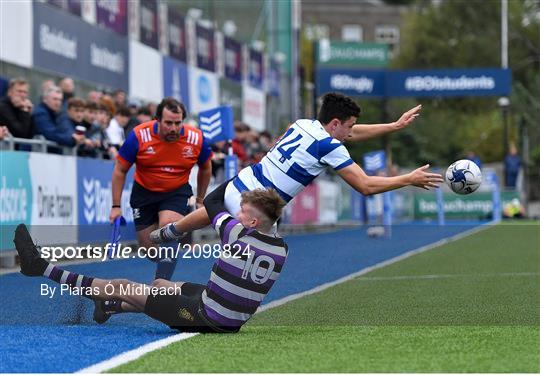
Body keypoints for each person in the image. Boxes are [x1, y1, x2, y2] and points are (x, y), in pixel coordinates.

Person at [151, 92, 442, 243]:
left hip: (240, 181)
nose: (351, 133)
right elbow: (365, 186)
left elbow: (351, 132)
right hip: (254, 208)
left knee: (215, 209)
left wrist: (393, 126)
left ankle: (170, 232)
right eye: (349, 126)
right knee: (255, 268)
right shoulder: (330, 146)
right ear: (335, 124)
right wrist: (408, 178)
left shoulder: (304, 124)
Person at [13, 184, 287, 333]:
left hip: (206, 317)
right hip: (225, 313)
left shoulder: (237, 232)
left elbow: (213, 202)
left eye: (242, 212)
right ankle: (109, 307)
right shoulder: (280, 249)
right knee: (161, 287)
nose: (236, 214)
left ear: (251, 221)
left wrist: (239, 178)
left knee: (121, 285)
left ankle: (40, 268)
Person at [110, 97, 213, 280]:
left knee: (168, 225)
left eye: (177, 123)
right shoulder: (139, 135)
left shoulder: (195, 138)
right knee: (148, 248)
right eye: (168, 123)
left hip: (176, 190)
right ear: (157, 120)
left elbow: (206, 167)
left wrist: (200, 200)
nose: (173, 128)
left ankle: (161, 284)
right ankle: (167, 259)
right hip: (144, 191)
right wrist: (116, 206)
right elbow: (120, 170)